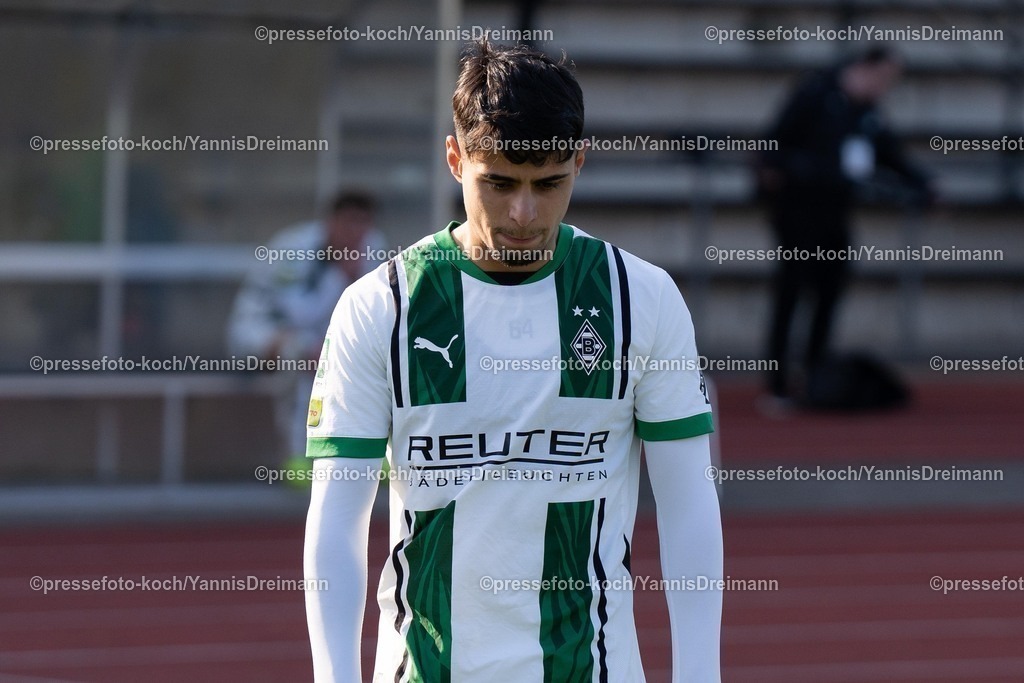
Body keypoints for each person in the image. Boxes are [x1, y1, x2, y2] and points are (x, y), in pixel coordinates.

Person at [304, 39, 722, 682]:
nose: (524, 213)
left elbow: (689, 503)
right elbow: (338, 521)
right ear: (454, 159)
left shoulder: (642, 298)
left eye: (548, 184)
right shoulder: (380, 306)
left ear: (579, 163)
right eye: (498, 183)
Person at [758, 45, 931, 404]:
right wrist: (786, 175)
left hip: (835, 213)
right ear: (865, 68)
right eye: (883, 77)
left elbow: (889, 153)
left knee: (829, 291)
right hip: (798, 212)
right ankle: (776, 381)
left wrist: (924, 185)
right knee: (791, 293)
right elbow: (774, 144)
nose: (885, 87)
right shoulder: (815, 94)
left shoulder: (866, 113)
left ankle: (814, 374)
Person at [227, 190, 385, 471]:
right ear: (331, 222)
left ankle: (371, 454)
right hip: (260, 329)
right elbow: (297, 313)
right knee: (304, 355)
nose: (356, 232)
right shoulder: (294, 247)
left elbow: (372, 311)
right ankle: (299, 457)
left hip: (320, 337)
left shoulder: (372, 246)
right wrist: (341, 276)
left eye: (363, 223)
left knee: (373, 358)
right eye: (349, 222)